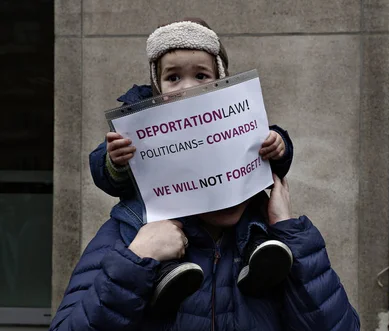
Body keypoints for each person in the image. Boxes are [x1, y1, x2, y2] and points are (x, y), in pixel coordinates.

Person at [88, 18, 296, 312]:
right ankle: (165, 272)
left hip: (229, 208)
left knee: (255, 206)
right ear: (156, 83)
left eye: (201, 76)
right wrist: (115, 162)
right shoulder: (138, 122)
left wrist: (278, 145)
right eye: (174, 78)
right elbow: (104, 173)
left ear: (220, 77)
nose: (188, 87)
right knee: (135, 217)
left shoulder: (234, 115)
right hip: (167, 213)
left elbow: (269, 144)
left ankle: (258, 255)